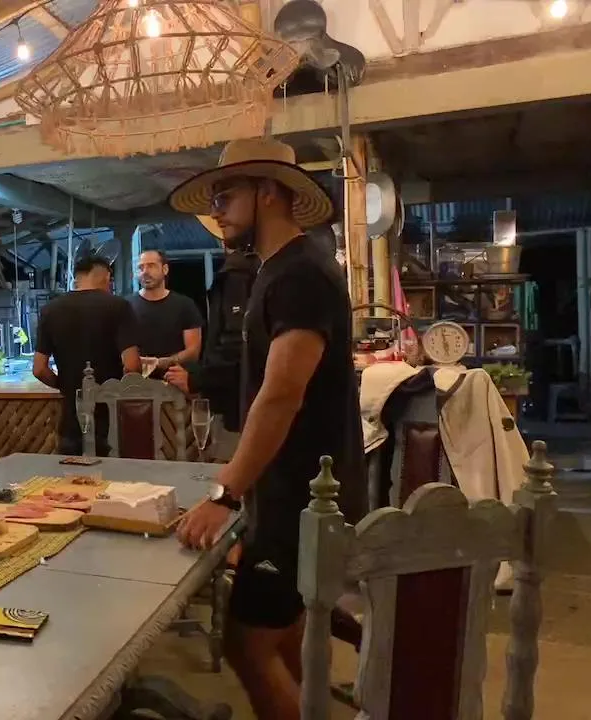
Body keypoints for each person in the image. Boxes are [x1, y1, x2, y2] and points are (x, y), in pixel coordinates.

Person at [167, 137, 365, 720]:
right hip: (298, 492)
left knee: (246, 644)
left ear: (269, 193)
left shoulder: (299, 275)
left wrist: (226, 493)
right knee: (283, 636)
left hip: (302, 497)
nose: (217, 211)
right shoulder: (280, 270)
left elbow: (281, 393)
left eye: (226, 196)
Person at [32, 255, 142, 455]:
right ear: (105, 276)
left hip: (71, 419)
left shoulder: (50, 310)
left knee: (70, 473)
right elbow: (132, 365)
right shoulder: (119, 306)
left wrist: (66, 386)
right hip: (111, 420)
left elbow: (39, 369)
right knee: (115, 473)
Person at [164, 237, 259, 462]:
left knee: (228, 472)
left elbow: (236, 344)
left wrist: (197, 379)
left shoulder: (237, 275)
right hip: (251, 401)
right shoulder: (261, 270)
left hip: (235, 405)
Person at [129, 249, 204, 378]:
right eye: (140, 268)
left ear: (165, 269)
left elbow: (193, 352)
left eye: (151, 266)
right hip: (135, 383)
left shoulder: (185, 305)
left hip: (173, 381)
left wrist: (162, 363)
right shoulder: (126, 306)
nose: (145, 272)